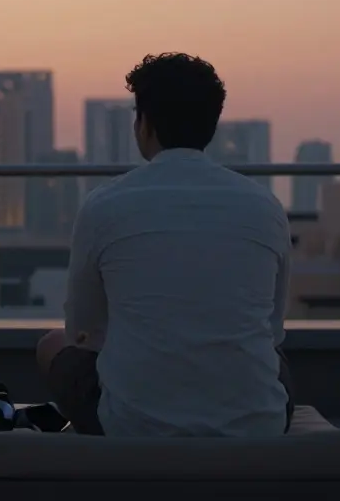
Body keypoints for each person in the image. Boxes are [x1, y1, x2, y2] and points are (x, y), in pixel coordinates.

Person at [37, 53, 295, 437]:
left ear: (145, 124)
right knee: (272, 360)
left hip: (131, 423)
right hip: (257, 422)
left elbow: (82, 331)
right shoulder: (264, 205)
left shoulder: (105, 204)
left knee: (52, 345)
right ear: (212, 124)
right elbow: (272, 330)